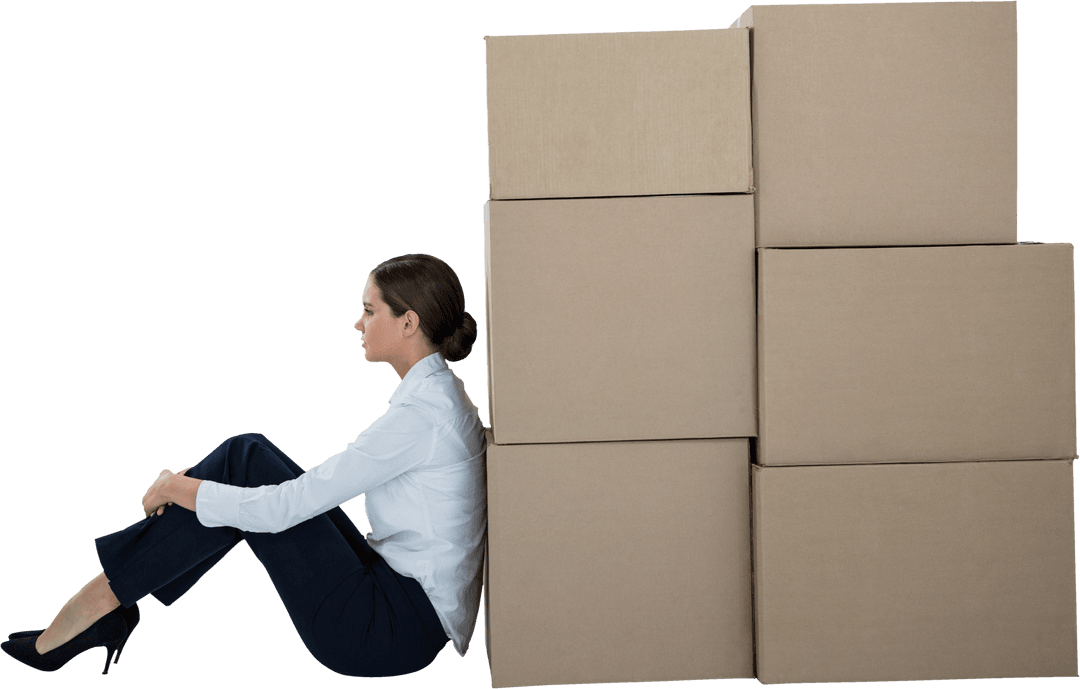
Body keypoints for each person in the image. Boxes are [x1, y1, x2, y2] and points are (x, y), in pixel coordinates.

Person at [1, 253, 487, 678]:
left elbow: (284, 509)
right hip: (400, 604)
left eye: (368, 310)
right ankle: (112, 598)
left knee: (245, 470)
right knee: (246, 454)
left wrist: (175, 487)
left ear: (409, 322)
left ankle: (100, 603)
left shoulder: (420, 417)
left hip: (380, 629)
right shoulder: (441, 395)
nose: (357, 324)